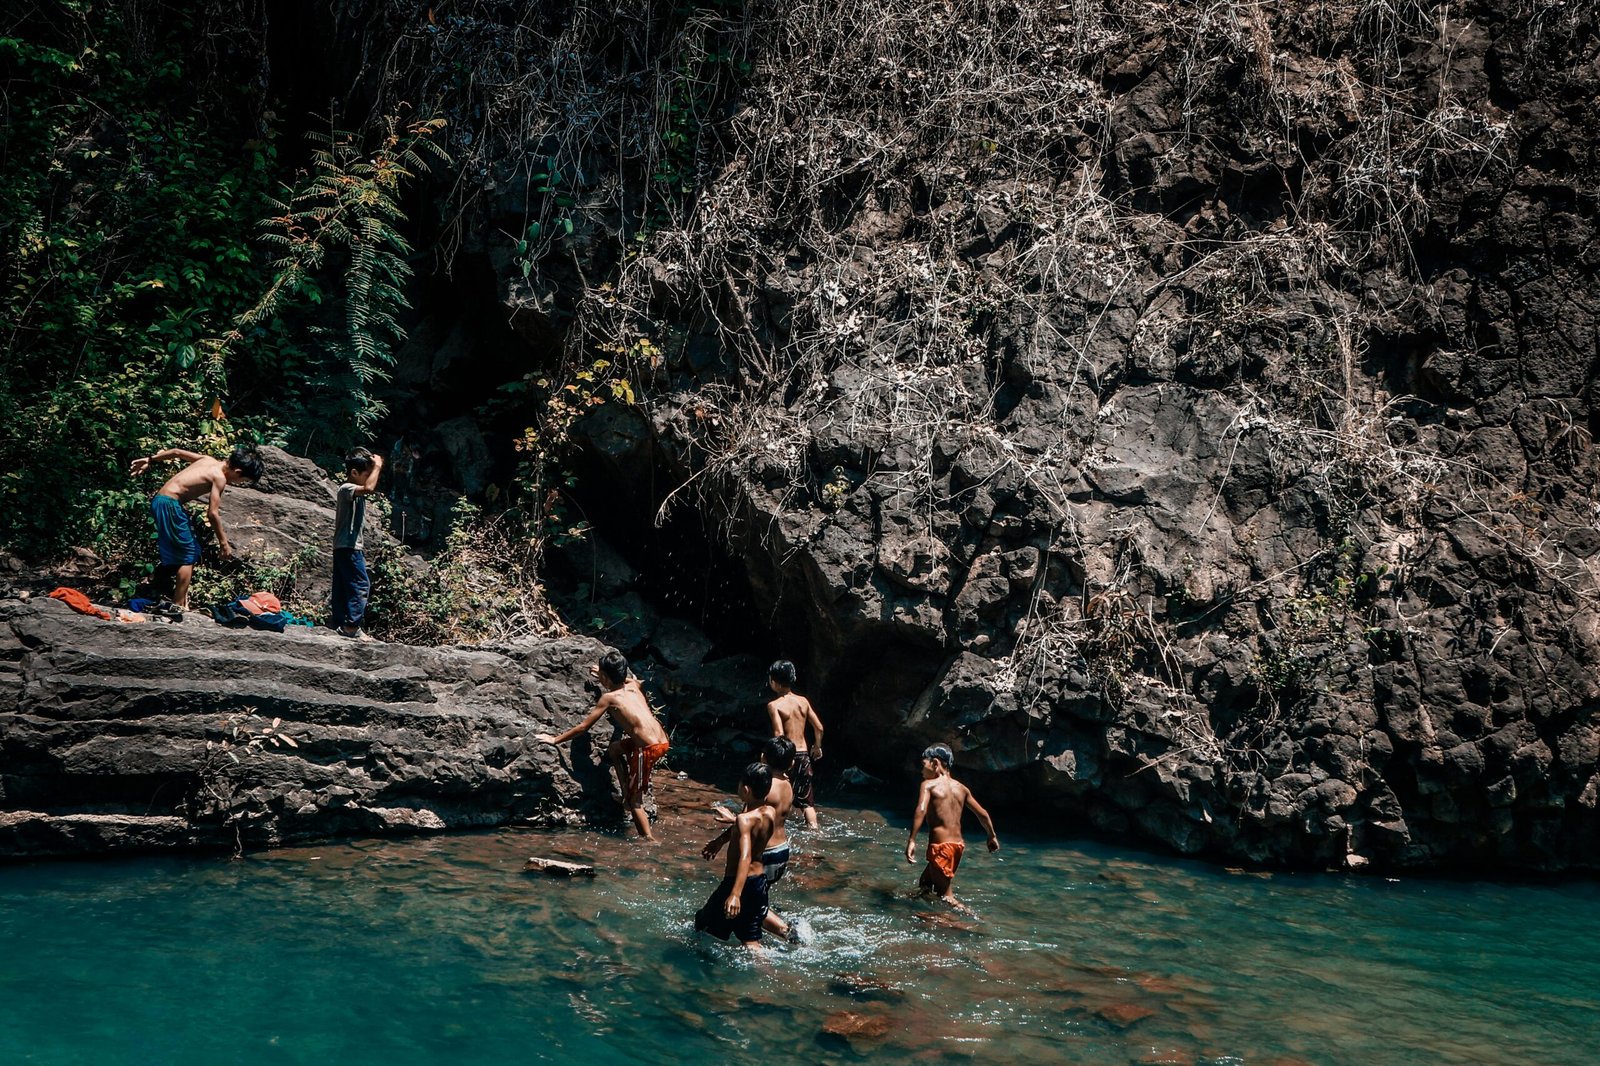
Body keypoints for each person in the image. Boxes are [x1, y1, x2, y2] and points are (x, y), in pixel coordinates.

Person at [537, 649, 670, 841]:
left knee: (636, 803)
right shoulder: (633, 685)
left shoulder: (609, 699)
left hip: (648, 750)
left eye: (601, 675)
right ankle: (626, 792)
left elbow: (583, 727)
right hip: (662, 739)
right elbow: (629, 680)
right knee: (615, 750)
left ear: (605, 678)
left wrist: (555, 739)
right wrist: (603, 674)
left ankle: (649, 841)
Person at [127, 447, 264, 610]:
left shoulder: (207, 460)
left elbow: (176, 452)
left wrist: (150, 459)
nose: (239, 483)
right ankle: (178, 605)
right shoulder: (219, 477)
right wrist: (223, 543)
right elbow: (212, 513)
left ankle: (180, 600)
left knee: (187, 550)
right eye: (243, 480)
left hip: (162, 502)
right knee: (189, 553)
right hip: (169, 504)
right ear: (238, 471)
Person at [704, 736, 799, 941]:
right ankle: (780, 932)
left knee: (750, 900)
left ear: (763, 757)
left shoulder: (762, 788)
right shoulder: (787, 784)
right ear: (790, 763)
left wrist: (727, 829)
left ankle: (785, 931)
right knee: (754, 899)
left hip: (766, 851)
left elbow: (748, 825)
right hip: (782, 849)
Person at [695, 762, 780, 951]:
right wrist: (720, 841)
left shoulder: (744, 819)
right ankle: (765, 971)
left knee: (702, 924)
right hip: (759, 883)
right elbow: (748, 829)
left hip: (738, 882)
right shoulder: (770, 812)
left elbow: (745, 856)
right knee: (750, 940)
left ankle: (704, 968)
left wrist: (735, 894)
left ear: (746, 789)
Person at [905, 743, 999, 909]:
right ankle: (922, 912)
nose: (921, 771)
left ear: (935, 763)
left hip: (941, 848)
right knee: (925, 883)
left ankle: (970, 921)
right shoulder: (961, 789)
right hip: (956, 847)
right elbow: (982, 813)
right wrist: (991, 836)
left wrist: (912, 840)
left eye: (923, 765)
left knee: (945, 896)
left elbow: (921, 810)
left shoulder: (928, 785)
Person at [332, 447, 384, 640]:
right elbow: (369, 488)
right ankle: (352, 627)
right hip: (349, 546)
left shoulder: (353, 491)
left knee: (343, 586)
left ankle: (339, 623)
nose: (370, 478)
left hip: (344, 546)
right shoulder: (346, 489)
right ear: (354, 473)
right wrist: (378, 466)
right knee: (361, 584)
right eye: (366, 474)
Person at [767, 659, 824, 828]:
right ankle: (814, 830)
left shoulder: (774, 705)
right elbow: (819, 727)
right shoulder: (803, 702)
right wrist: (817, 746)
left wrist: (772, 760)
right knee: (807, 802)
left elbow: (779, 735)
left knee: (779, 791)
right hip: (804, 754)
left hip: (787, 755)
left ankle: (776, 827)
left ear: (773, 682)